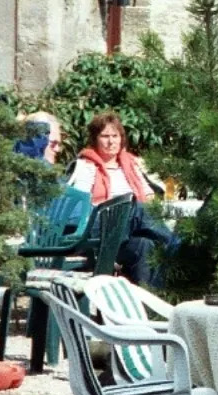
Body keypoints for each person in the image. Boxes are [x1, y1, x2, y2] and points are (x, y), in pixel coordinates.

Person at [66, 112, 178, 286]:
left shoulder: (132, 164)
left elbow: (148, 196)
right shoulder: (86, 166)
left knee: (145, 245)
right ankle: (178, 248)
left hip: (126, 234)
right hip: (99, 230)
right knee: (137, 209)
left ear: (121, 138)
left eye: (115, 136)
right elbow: (81, 205)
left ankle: (148, 302)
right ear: (95, 138)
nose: (111, 141)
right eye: (105, 136)